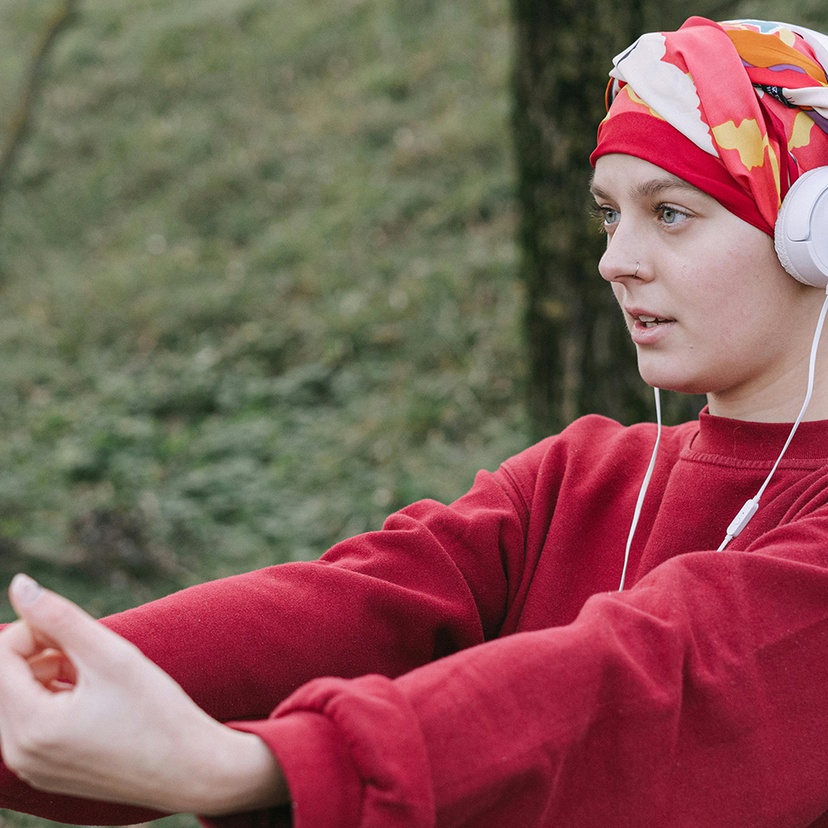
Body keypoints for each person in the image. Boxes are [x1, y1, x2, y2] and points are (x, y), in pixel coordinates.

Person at [1, 15, 828, 828]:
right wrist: (49, 681)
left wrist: (261, 768)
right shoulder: (578, 477)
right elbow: (348, 606)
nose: (616, 259)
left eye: (670, 212)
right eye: (611, 213)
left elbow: (636, 678)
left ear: (811, 239)